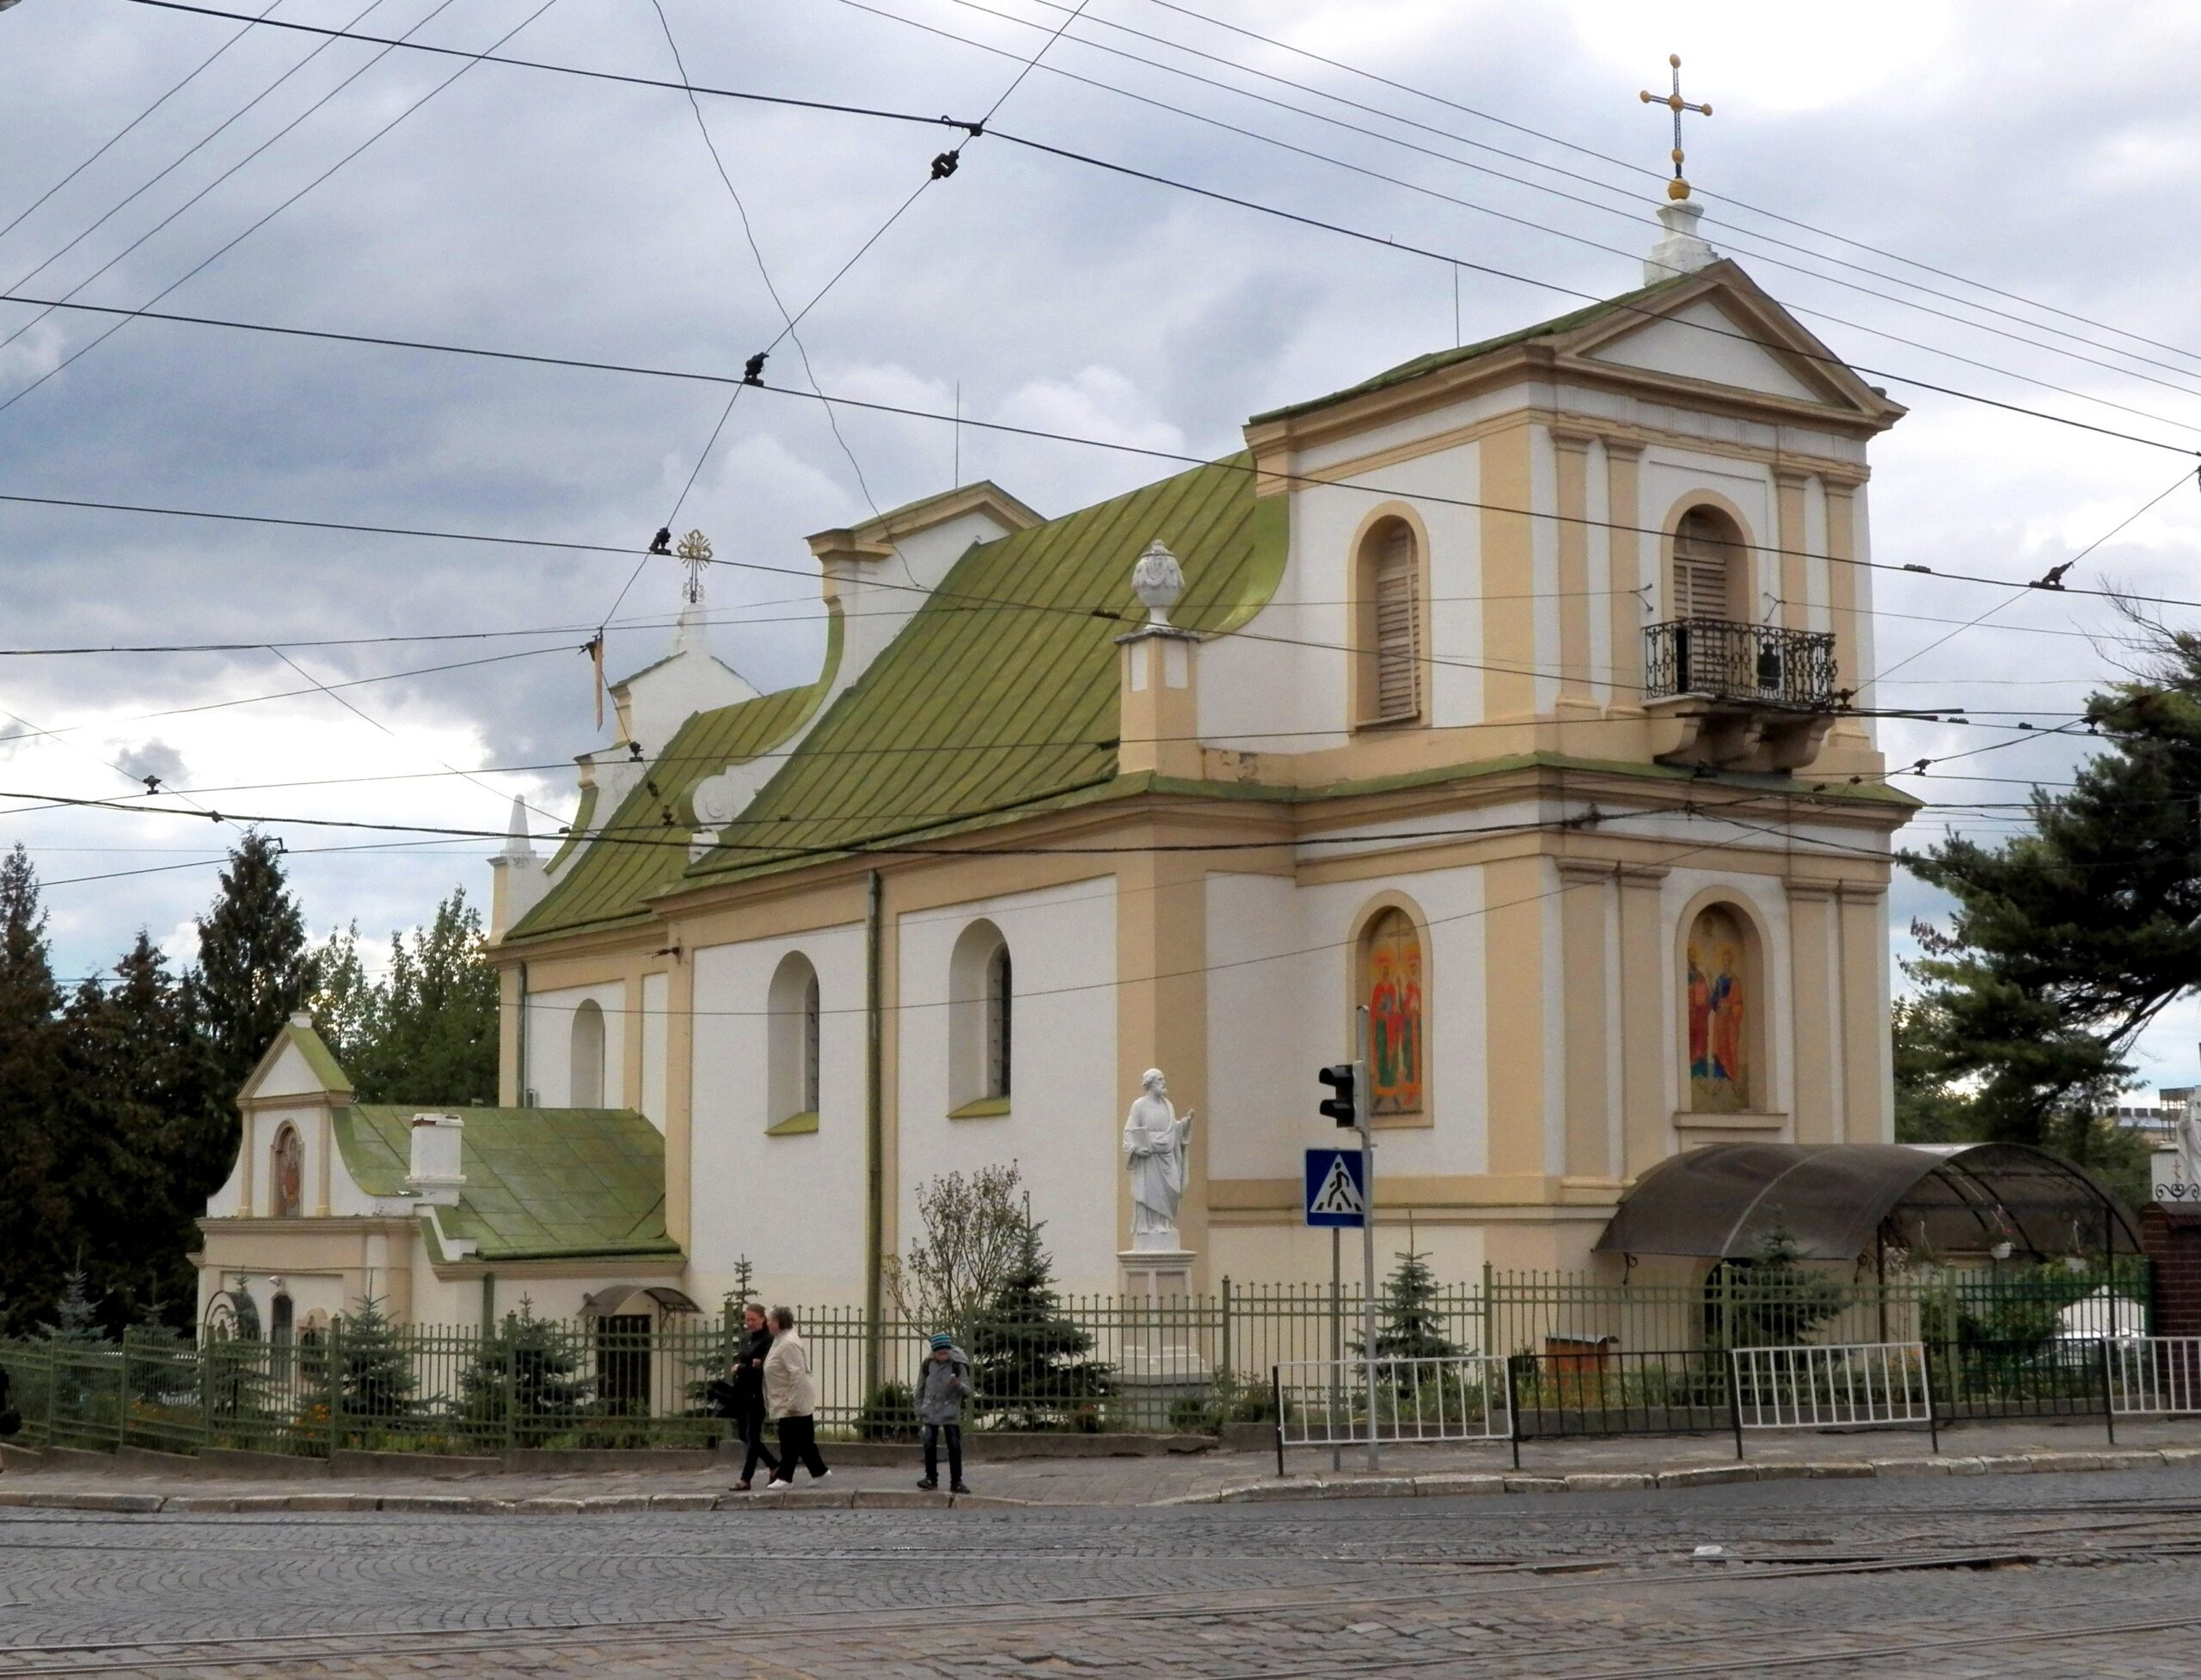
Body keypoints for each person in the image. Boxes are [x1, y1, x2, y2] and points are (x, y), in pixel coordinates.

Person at [763, 1305, 829, 1486]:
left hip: (791, 1399)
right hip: (787, 1397)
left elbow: (797, 1373)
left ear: (778, 1323)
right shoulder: (780, 1340)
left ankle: (785, 1477)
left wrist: (793, 1402)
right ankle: (819, 1471)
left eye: (769, 1320)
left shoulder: (788, 1343)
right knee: (803, 1440)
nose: (767, 1323)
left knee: (789, 1440)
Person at [728, 1303, 778, 1493]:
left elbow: (764, 1369)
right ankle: (774, 1466)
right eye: (747, 1319)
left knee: (752, 1435)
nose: (749, 1323)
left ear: (763, 1319)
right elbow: (751, 1362)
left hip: (757, 1394)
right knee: (744, 1434)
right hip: (743, 1393)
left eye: (753, 1320)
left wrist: (742, 1368)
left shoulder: (767, 1340)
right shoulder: (751, 1339)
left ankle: (745, 1479)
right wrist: (748, 1365)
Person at [914, 1332, 972, 1494]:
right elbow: (920, 1388)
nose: (943, 1356)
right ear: (934, 1352)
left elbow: (968, 1390)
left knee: (954, 1446)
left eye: (946, 1352)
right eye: (940, 1353)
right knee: (929, 1444)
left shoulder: (958, 1365)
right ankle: (931, 1478)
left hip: (949, 1411)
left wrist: (957, 1384)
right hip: (930, 1410)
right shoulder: (927, 1365)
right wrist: (918, 1410)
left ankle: (956, 1481)